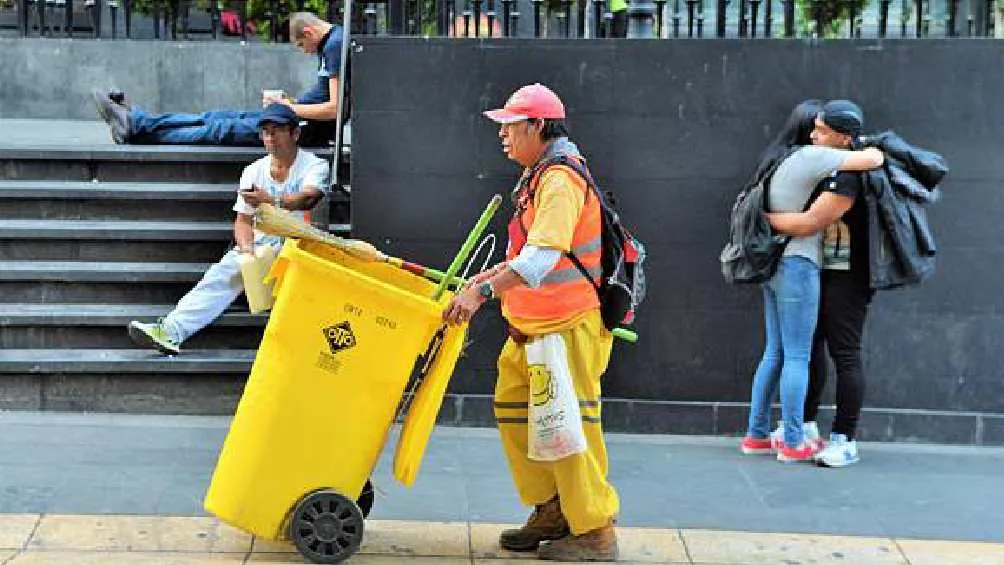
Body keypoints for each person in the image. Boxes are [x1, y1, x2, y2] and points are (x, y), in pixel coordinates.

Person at [442, 83, 618, 562]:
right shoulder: (536, 176)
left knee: (569, 428)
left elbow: (540, 260)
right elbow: (523, 256)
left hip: (564, 327)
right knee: (517, 413)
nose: (502, 134)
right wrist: (487, 276)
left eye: (511, 125)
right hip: (532, 328)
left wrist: (480, 294)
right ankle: (553, 509)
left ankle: (595, 529)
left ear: (539, 126)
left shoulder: (560, 178)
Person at [740, 100, 883, 462]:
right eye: (814, 128)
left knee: (778, 352)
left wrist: (763, 221)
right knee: (799, 355)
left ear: (840, 134)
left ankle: (758, 434)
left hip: (776, 265)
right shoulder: (814, 157)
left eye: (822, 129)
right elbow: (871, 159)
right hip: (799, 265)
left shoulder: (782, 158)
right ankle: (793, 440)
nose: (816, 135)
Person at [127, 104, 329, 355]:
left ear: (295, 134)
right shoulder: (253, 171)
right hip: (264, 246)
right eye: (265, 132)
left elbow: (308, 199)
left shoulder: (315, 166)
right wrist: (246, 251)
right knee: (226, 270)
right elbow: (243, 221)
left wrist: (272, 201)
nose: (270, 138)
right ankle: (171, 330)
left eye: (277, 131)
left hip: (304, 248)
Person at [92, 12, 342, 147]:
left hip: (300, 130)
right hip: (293, 119)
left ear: (309, 32)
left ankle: (135, 128)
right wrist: (289, 103)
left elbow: (336, 108)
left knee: (219, 129)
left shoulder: (333, 46)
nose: (304, 51)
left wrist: (290, 107)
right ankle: (136, 122)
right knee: (217, 116)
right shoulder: (331, 43)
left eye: (301, 44)